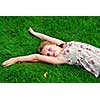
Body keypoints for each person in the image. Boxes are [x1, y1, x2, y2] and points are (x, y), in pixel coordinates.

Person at [2, 27, 100, 77]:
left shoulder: (64, 44)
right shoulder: (60, 58)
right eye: (48, 55)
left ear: (54, 44)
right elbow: (36, 57)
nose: (50, 53)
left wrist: (34, 33)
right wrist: (16, 59)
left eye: (49, 49)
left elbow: (46, 37)